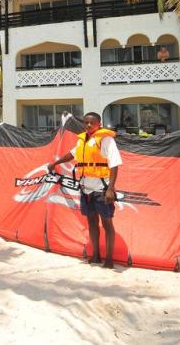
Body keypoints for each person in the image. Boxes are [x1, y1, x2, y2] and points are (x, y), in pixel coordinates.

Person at [48, 112, 122, 269]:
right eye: (86, 122)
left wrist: (111, 188)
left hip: (101, 188)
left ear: (99, 124)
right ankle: (96, 255)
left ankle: (109, 259)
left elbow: (114, 164)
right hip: (86, 189)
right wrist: (55, 163)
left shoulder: (106, 139)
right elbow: (71, 155)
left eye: (92, 123)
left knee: (107, 223)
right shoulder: (83, 140)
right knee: (92, 222)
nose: (88, 125)